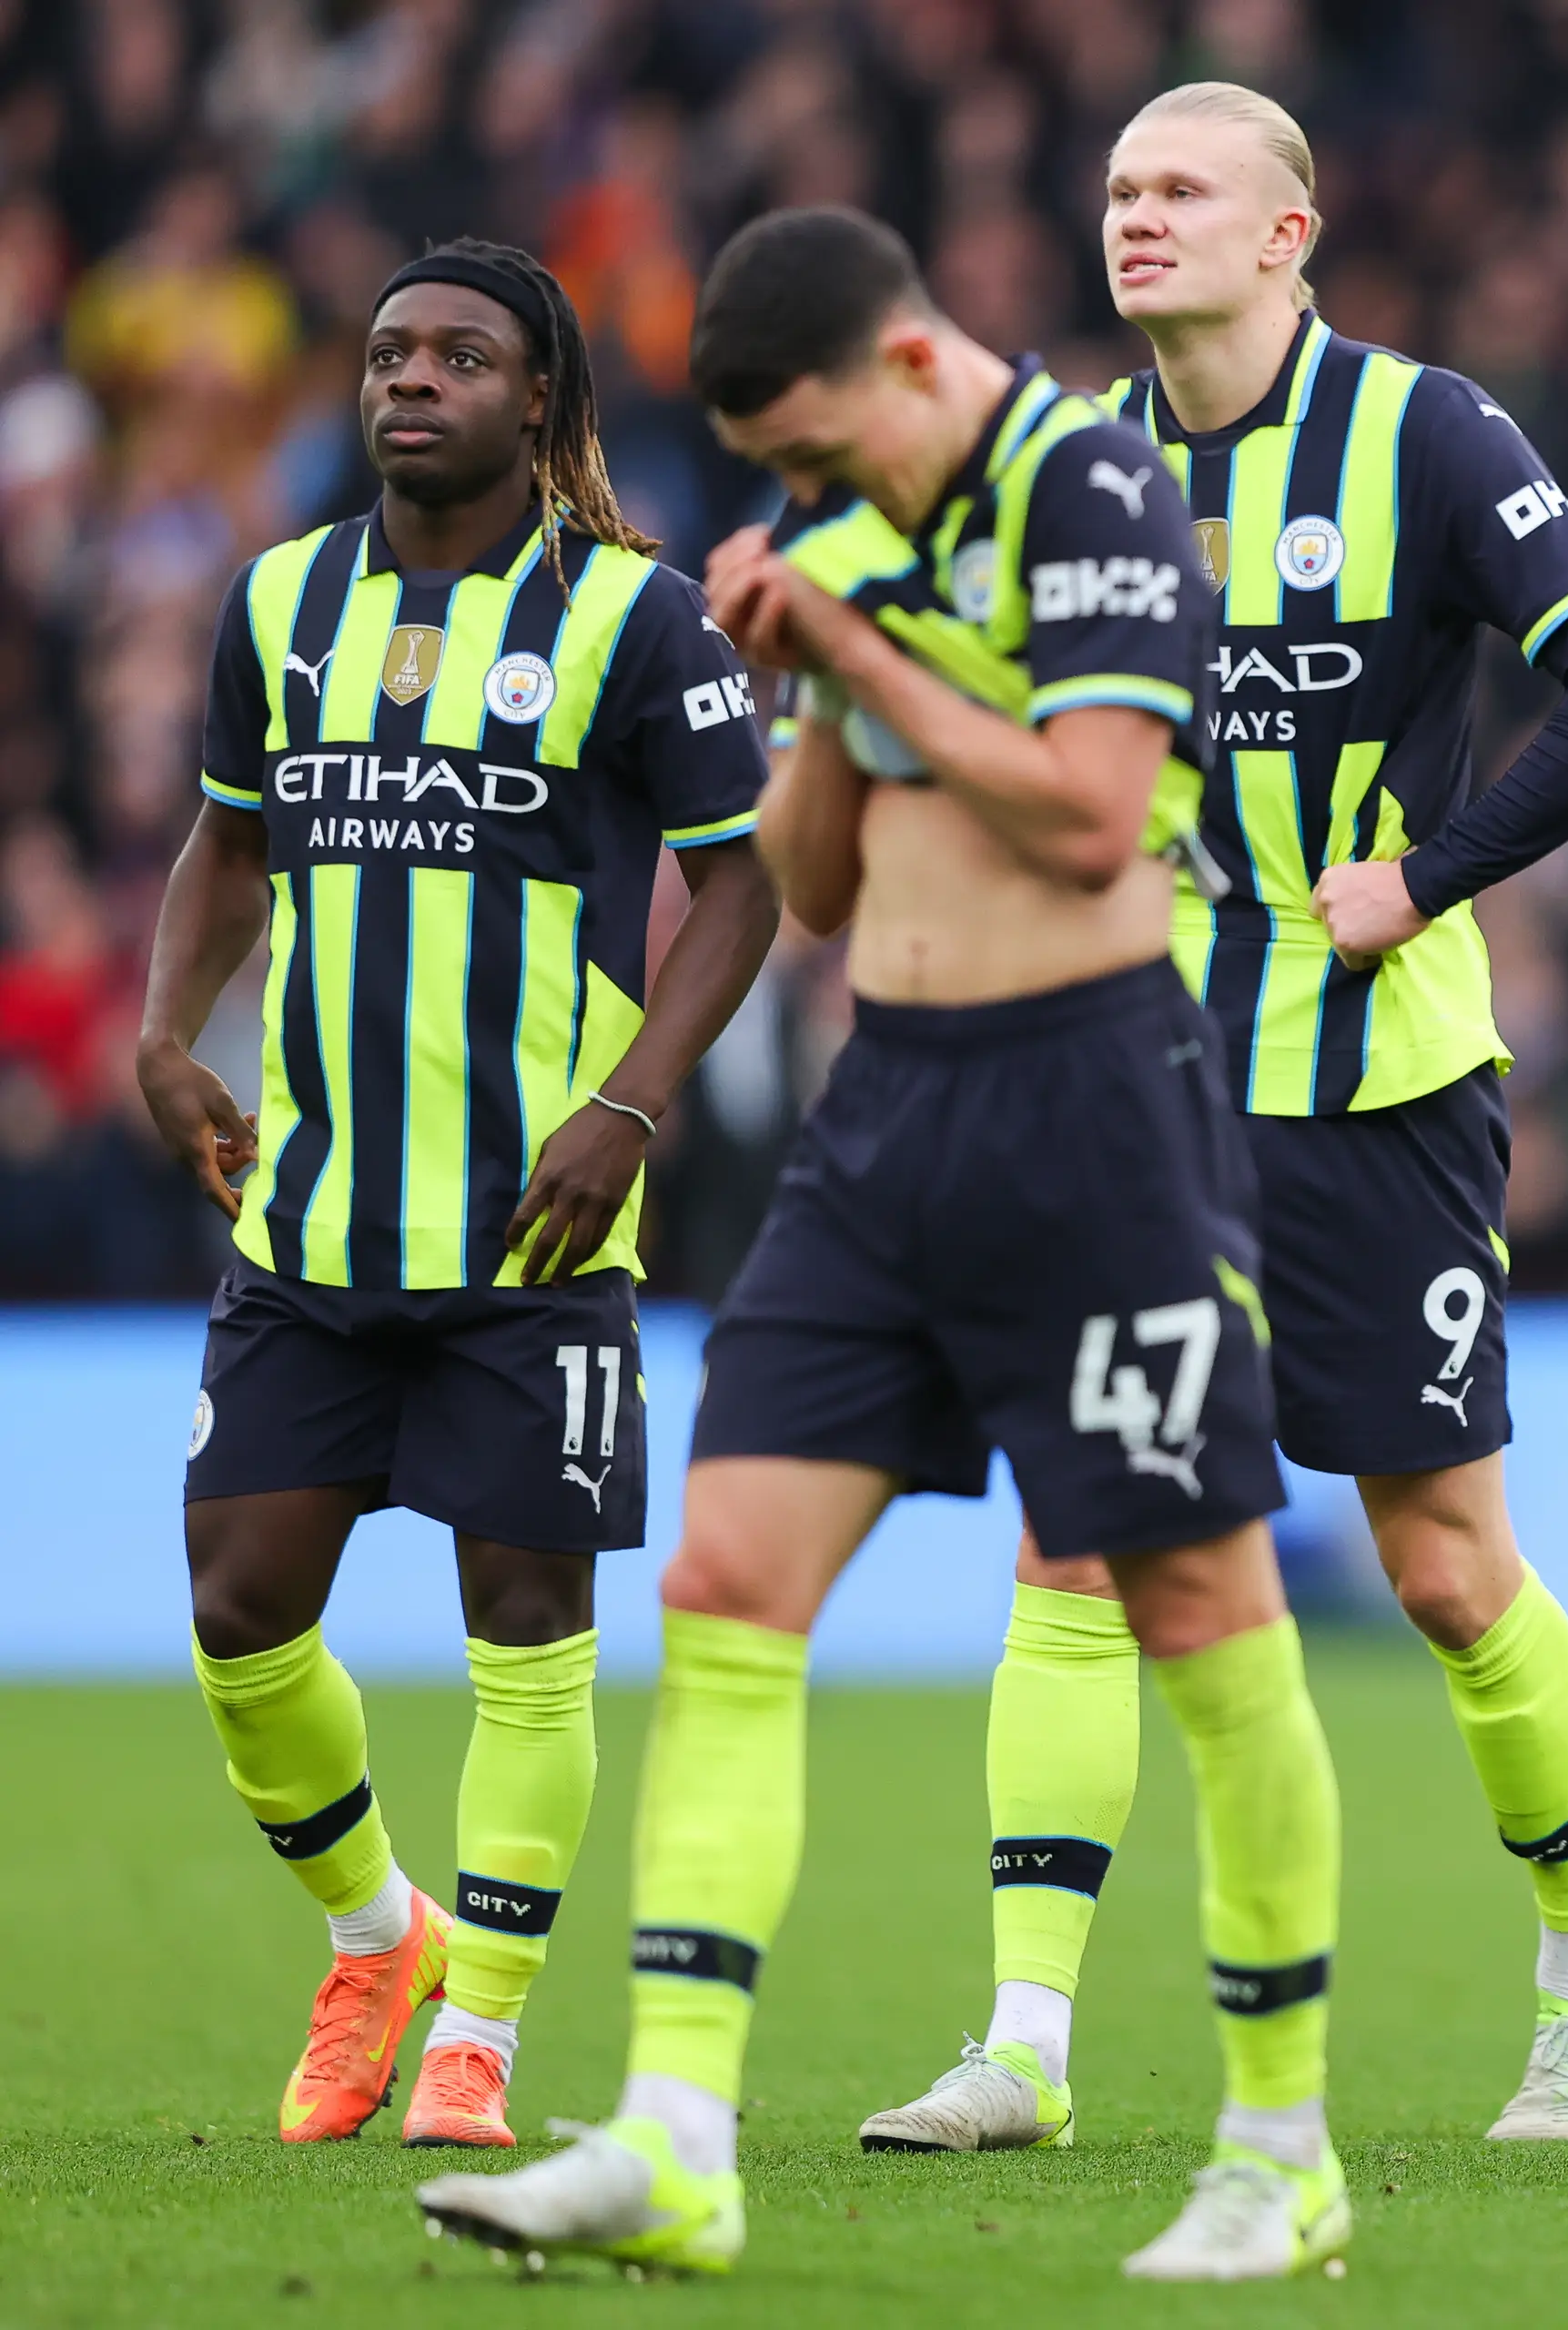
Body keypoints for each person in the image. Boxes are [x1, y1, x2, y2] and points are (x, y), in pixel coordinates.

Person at [414, 208, 1340, 2284]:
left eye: (821, 457)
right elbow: (815, 891)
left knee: (1196, 1612)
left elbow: (1099, 813)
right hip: (889, 1115)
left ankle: (1281, 2147)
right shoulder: (853, 526)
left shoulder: (1094, 485)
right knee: (732, 1574)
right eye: (783, 476)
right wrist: (801, 690)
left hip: (1098, 1107)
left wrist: (851, 643)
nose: (806, 498)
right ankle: (673, 2129)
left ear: (912, 365)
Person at [852, 81, 1568, 2160]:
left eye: (1184, 190)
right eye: (1121, 189)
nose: (1138, 220)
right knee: (1075, 1539)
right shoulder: (1070, 466)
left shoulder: (1424, 435)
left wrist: (1429, 870)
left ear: (1288, 233)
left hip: (1377, 1078)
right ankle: (1024, 2038)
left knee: (1439, 1562)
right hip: (1134, 1077)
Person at [132, 239, 778, 2154]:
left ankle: (479, 2030)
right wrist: (175, 1032)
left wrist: (635, 1106)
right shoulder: (282, 599)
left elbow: (741, 886)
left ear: (540, 400)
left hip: (536, 1233)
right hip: (312, 1224)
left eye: (462, 355)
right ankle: (377, 1935)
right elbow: (226, 841)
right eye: (393, 350)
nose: (413, 379)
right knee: (241, 1611)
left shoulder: (640, 622)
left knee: (526, 1619)